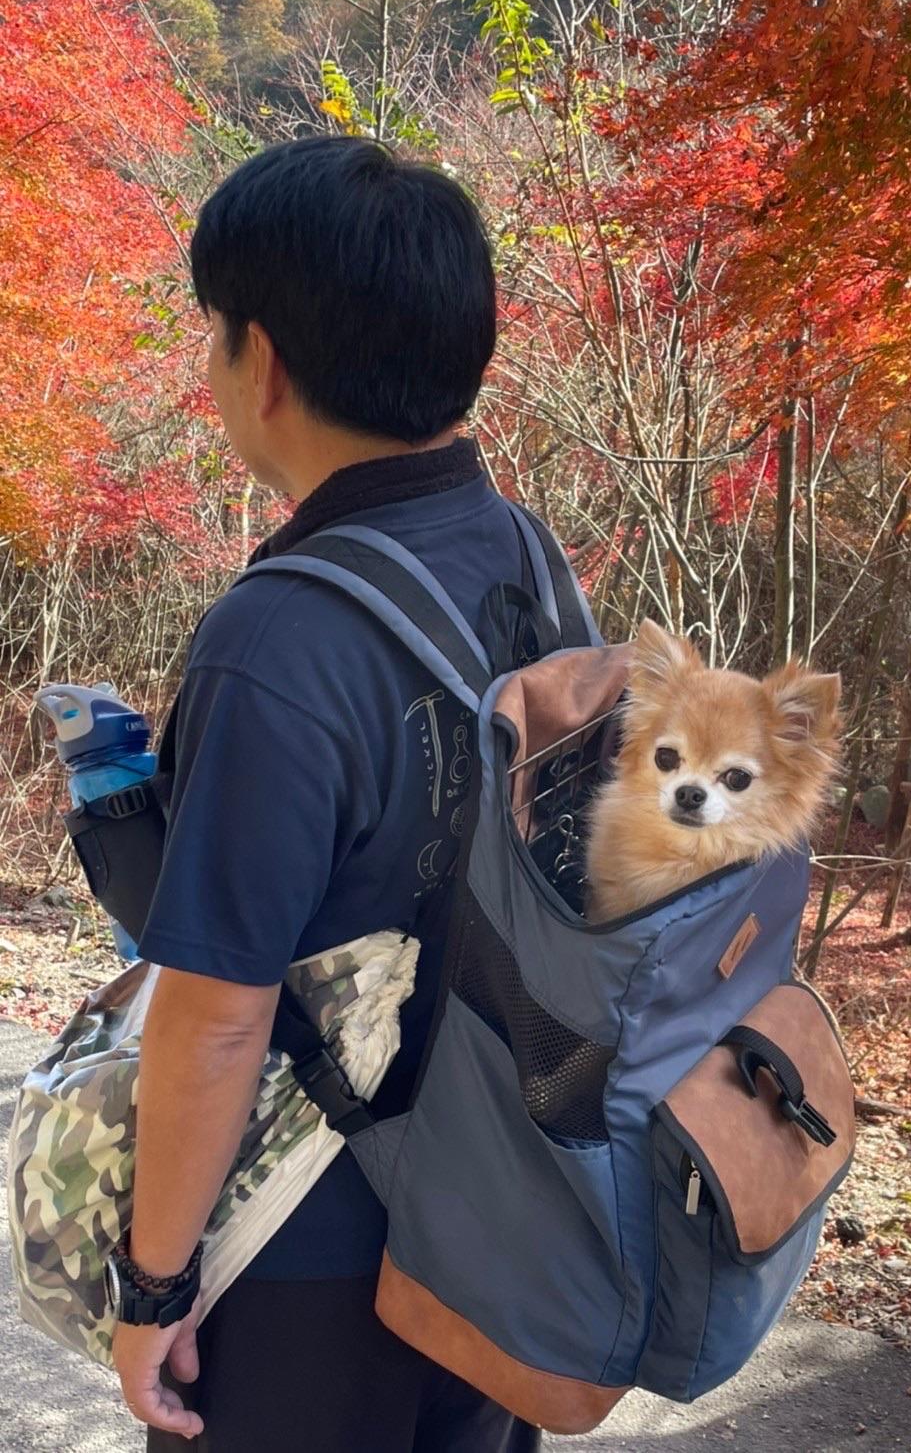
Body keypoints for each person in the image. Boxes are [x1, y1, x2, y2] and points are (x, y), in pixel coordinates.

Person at [112, 134, 542, 1453]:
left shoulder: (279, 637)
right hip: (502, 1218)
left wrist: (152, 1286)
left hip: (305, 1259)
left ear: (267, 364)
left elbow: (215, 1027)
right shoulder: (519, 551)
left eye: (216, 333)